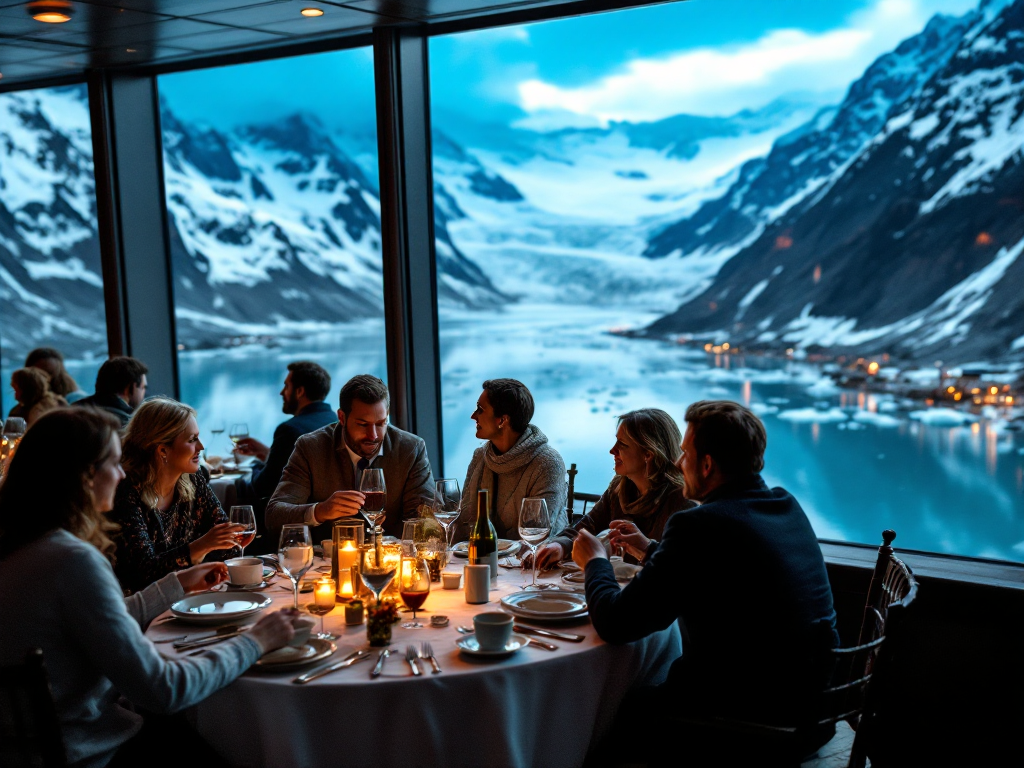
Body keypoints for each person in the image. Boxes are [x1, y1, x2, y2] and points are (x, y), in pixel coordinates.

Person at [0, 408, 295, 768]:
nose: (122, 472)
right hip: (90, 749)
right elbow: (164, 690)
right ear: (83, 477)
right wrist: (256, 641)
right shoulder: (72, 561)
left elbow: (101, 618)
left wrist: (176, 584)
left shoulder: (26, 547)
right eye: (113, 462)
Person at [574, 401, 838, 762]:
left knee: (626, 707)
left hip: (752, 725)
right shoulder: (784, 505)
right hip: (813, 711)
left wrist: (595, 563)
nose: (680, 464)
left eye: (685, 454)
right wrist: (651, 549)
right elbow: (713, 574)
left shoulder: (699, 525)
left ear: (707, 464)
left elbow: (616, 623)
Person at [266, 374, 434, 542]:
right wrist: (320, 511)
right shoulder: (311, 448)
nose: (373, 435)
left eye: (381, 423)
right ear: (342, 418)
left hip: (392, 561)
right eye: (363, 424)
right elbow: (274, 516)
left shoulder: (411, 449)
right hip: (328, 562)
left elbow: (425, 519)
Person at [535, 408, 694, 569]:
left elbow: (679, 567)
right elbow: (587, 526)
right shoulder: (620, 489)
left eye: (622, 444)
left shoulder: (682, 502)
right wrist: (559, 547)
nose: (612, 450)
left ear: (648, 454)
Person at [110, 397, 242, 592]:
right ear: (163, 450)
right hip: (142, 610)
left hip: (192, 598)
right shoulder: (127, 492)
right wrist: (200, 547)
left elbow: (229, 546)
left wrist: (206, 550)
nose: (201, 447)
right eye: (192, 440)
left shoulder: (193, 480)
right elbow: (144, 574)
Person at [232, 361, 338, 544]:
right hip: (330, 528)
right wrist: (268, 454)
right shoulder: (335, 422)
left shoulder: (289, 429)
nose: (282, 392)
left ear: (300, 391)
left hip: (293, 531)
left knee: (239, 489)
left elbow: (264, 486)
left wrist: (254, 465)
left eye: (286, 386)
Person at [452, 379, 567, 542]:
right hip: (482, 559)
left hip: (535, 562)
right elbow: (463, 521)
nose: (473, 416)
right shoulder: (480, 457)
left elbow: (537, 536)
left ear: (502, 420)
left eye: (480, 409)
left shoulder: (547, 463)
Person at [74, 356, 148, 428]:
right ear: (131, 387)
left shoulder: (73, 411)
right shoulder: (127, 425)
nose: (144, 393)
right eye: (143, 387)